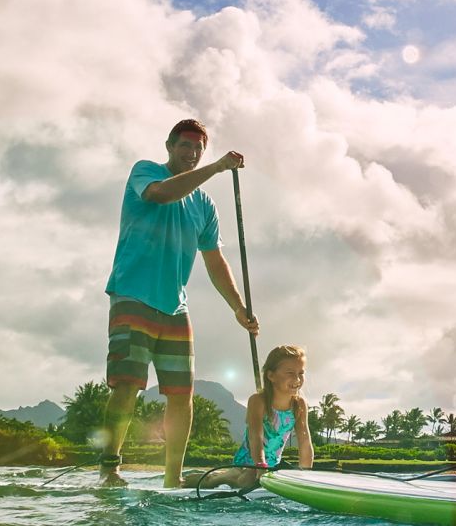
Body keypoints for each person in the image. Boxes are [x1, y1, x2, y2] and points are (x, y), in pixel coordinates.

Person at [99, 119, 259, 487]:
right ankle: (110, 468)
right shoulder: (146, 172)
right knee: (127, 384)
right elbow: (161, 195)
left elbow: (215, 261)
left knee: (182, 393)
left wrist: (237, 307)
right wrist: (217, 167)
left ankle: (172, 478)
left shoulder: (205, 205)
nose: (191, 153)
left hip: (175, 306)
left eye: (198, 149)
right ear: (170, 146)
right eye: (185, 146)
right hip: (132, 294)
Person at [186, 345, 314, 490]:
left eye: (301, 373)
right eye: (290, 373)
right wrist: (259, 465)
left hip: (272, 465)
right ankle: (215, 478)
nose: (297, 378)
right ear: (271, 376)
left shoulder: (299, 404)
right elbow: (255, 437)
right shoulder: (258, 401)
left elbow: (305, 440)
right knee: (247, 480)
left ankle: (228, 474)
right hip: (246, 462)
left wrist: (306, 475)